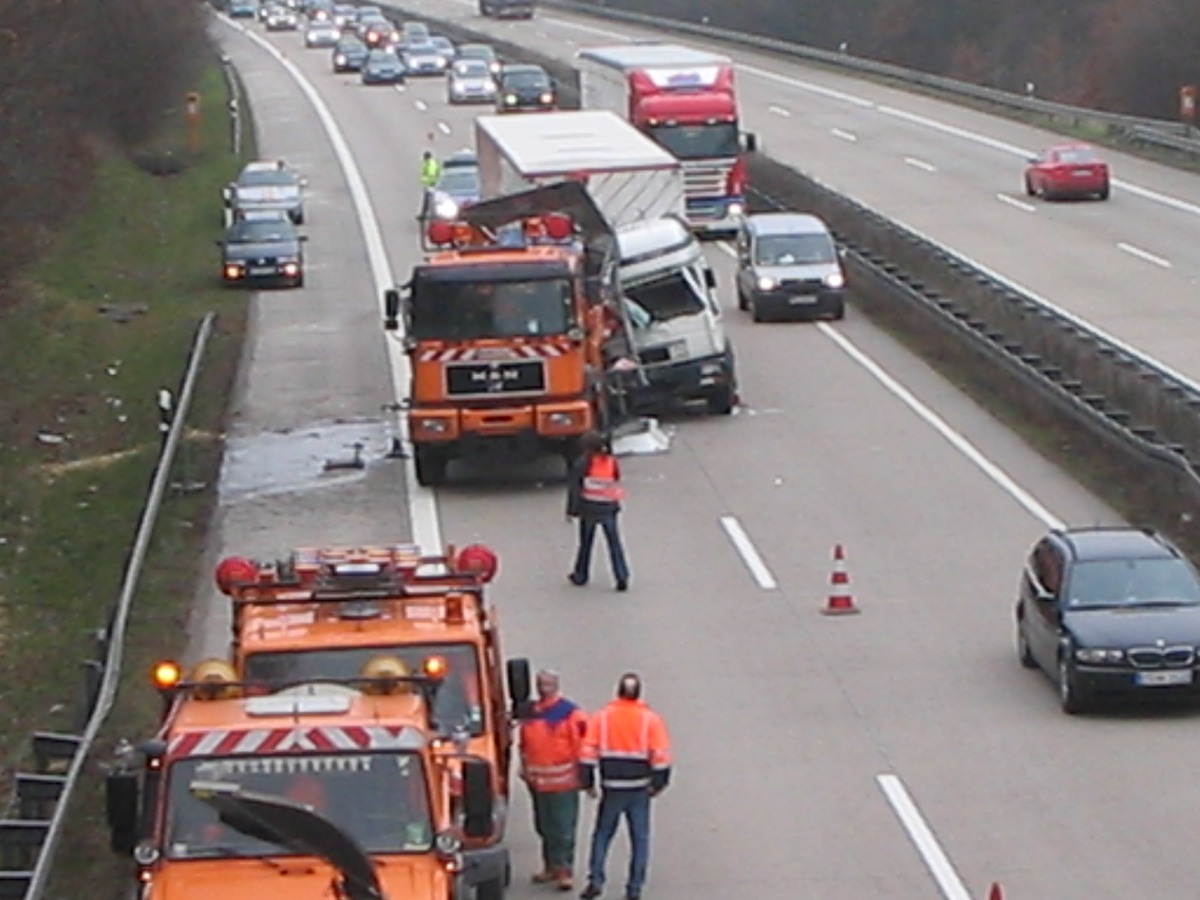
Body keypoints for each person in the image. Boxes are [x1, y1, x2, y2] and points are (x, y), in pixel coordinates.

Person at [579, 673, 671, 900]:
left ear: (618, 692)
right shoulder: (650, 720)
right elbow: (661, 756)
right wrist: (658, 784)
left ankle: (595, 881)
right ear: (639, 693)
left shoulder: (601, 718)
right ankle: (634, 889)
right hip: (640, 788)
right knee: (640, 839)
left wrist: (588, 782)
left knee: (602, 835)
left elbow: (587, 751)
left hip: (612, 787)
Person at [519, 670, 588, 891]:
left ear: (556, 686)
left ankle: (564, 870)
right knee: (544, 826)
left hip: (564, 784)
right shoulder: (532, 713)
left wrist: (584, 775)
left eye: (548, 683)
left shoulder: (570, 714)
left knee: (563, 828)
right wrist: (524, 767)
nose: (544, 687)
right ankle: (550, 866)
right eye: (541, 683)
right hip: (538, 784)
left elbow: (583, 745)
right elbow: (524, 744)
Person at [567, 431, 630, 592]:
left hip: (589, 508)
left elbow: (575, 488)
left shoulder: (583, 463)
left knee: (586, 543)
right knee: (614, 543)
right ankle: (621, 576)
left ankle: (581, 574)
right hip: (609, 507)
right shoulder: (611, 462)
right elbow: (615, 479)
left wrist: (572, 510)